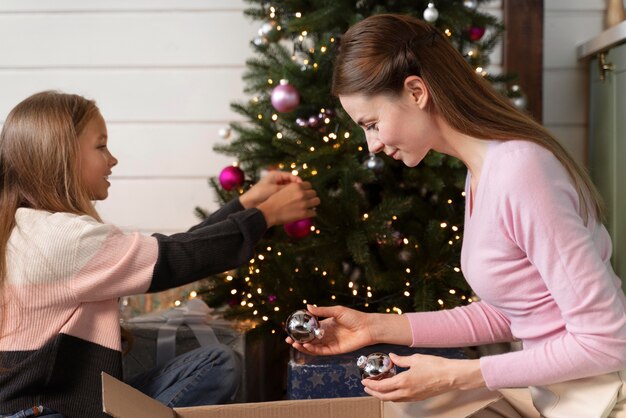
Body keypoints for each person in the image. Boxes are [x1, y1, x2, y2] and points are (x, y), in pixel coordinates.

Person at [286, 13, 626, 417]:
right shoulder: (484, 169)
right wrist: (374, 327)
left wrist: (458, 374)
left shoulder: (521, 171)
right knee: (409, 409)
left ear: (416, 91)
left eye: (373, 124)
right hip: (556, 394)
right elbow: (513, 312)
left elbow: (608, 341)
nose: (372, 145)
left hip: (599, 399)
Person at [0, 90, 320, 418]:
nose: (112, 159)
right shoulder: (63, 238)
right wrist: (264, 216)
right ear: (62, 156)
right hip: (45, 413)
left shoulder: (28, 228)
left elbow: (169, 250)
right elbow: (171, 259)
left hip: (50, 406)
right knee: (218, 366)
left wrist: (245, 205)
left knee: (216, 363)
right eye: (100, 146)